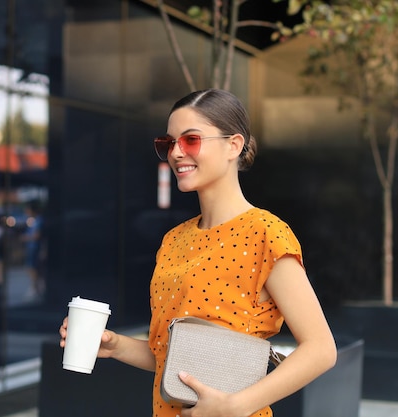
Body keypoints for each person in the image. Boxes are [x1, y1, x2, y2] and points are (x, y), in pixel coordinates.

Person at [59, 89, 337, 417]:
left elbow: (321, 350)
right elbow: (173, 356)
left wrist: (235, 406)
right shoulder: (173, 240)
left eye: (191, 140)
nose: (176, 153)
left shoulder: (265, 233)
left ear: (234, 145)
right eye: (168, 143)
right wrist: (116, 346)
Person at [21, 201, 46, 300]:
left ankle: (35, 288)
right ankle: (37, 287)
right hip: (31, 247)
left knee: (33, 268)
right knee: (32, 268)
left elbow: (37, 235)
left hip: (35, 248)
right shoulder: (33, 220)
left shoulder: (39, 221)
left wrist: (26, 237)